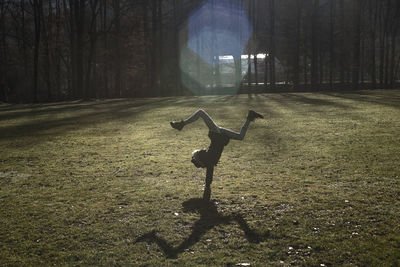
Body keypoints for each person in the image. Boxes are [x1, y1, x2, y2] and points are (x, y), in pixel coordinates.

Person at [170, 109, 263, 200]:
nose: (201, 150)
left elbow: (209, 172)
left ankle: (181, 125)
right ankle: (250, 117)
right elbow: (209, 173)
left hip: (218, 135)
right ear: (202, 158)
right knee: (201, 112)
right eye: (199, 152)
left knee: (240, 136)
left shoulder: (209, 160)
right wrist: (207, 186)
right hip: (217, 134)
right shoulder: (210, 160)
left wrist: (207, 186)